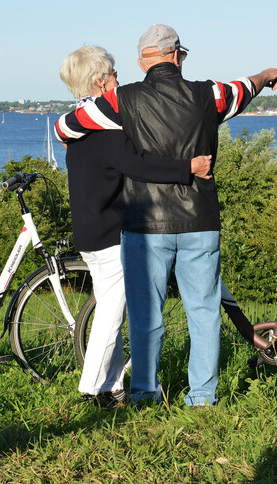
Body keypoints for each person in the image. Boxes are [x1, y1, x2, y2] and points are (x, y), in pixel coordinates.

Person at [56, 25, 277, 407]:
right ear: (178, 55)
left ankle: (144, 393)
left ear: (143, 60)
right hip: (200, 219)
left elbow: (67, 126)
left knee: (146, 314)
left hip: (145, 226)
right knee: (205, 311)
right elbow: (244, 88)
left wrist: (65, 136)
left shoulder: (121, 101)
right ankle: (202, 396)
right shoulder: (209, 95)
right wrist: (266, 75)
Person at [58, 45, 212, 408]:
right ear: (100, 82)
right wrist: (186, 168)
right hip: (112, 230)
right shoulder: (106, 130)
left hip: (87, 228)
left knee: (109, 307)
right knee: (112, 312)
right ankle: (91, 387)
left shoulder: (76, 123)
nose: (118, 81)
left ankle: (111, 387)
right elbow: (138, 165)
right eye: (113, 75)